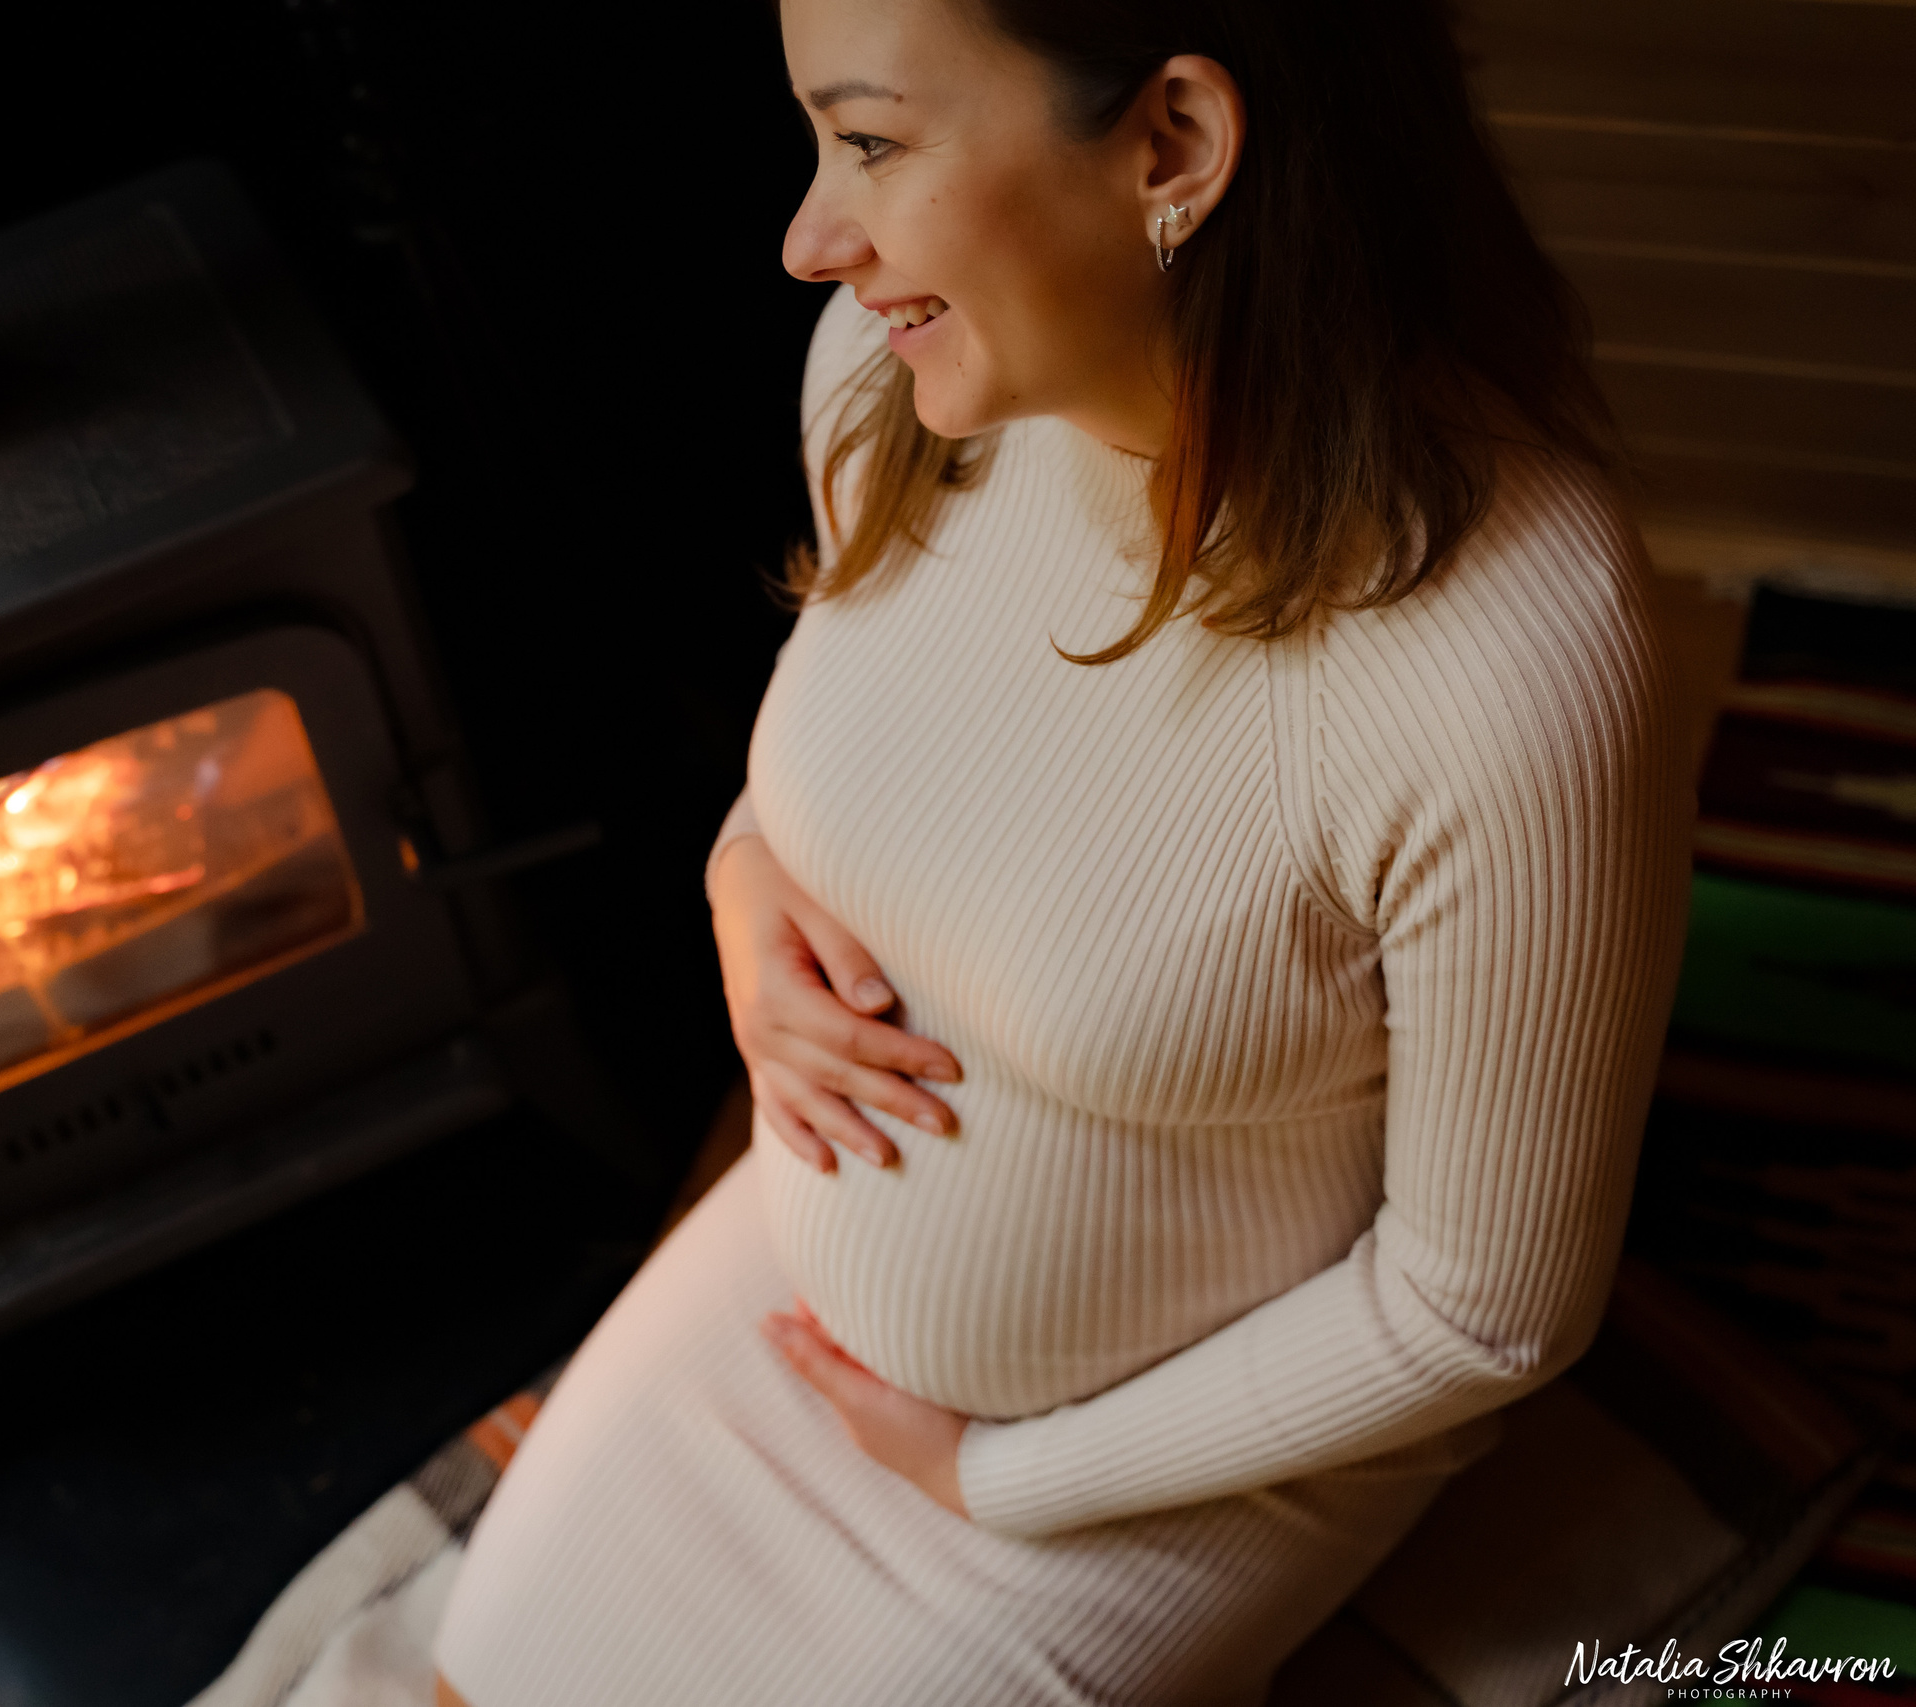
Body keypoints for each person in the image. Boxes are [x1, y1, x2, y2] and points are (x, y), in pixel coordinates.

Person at [434, 0, 1689, 1698]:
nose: (812, 240)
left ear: (1173, 143)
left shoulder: (1513, 660)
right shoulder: (898, 386)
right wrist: (746, 879)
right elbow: (886, 756)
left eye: (872, 143)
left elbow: (1482, 1316)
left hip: (1167, 1468)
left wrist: (998, 1476)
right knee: (477, 1668)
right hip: (798, 1311)